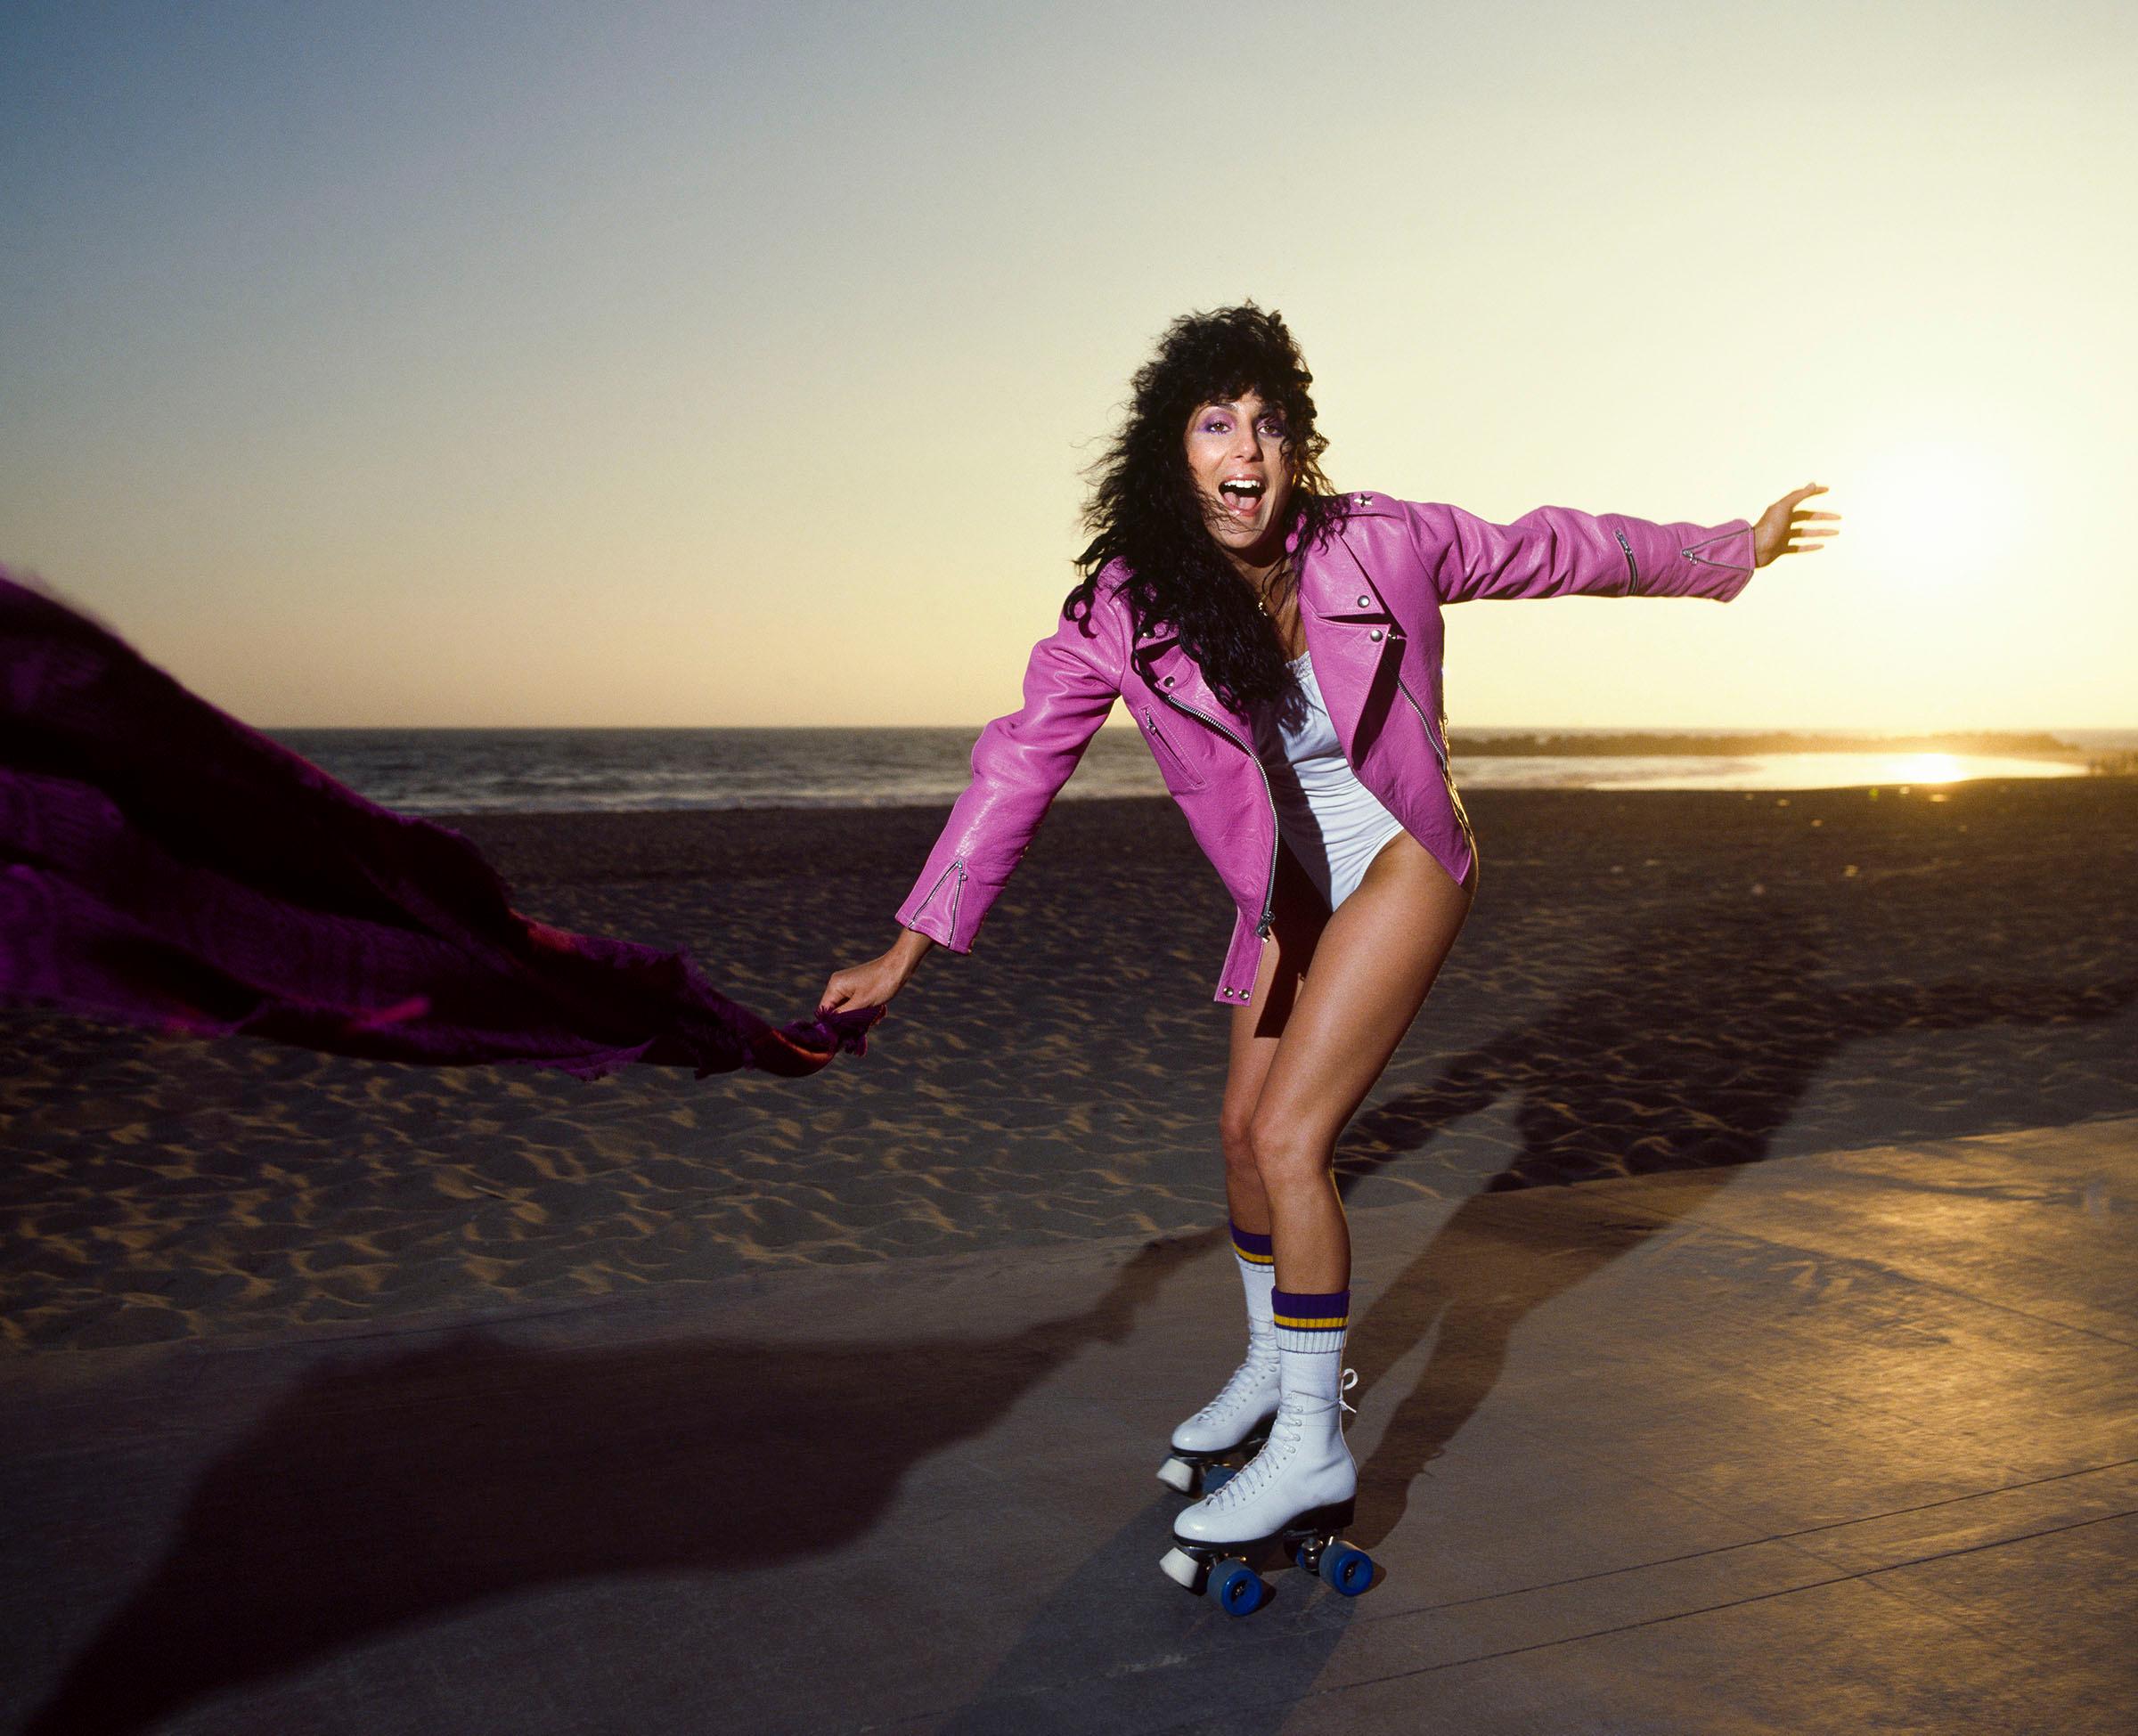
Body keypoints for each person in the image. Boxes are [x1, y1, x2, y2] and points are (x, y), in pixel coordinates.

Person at [818, 303, 1839, 1593]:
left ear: (1296, 445)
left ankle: (1311, 1440)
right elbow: (1016, 764)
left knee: (1297, 1138)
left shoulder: (1380, 543)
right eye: (1214, 421)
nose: (1246, 447)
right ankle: (1270, 1367)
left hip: (1406, 852)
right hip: (1290, 893)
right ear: (1170, 451)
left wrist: (1724, 549)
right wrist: (907, 948)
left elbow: (1552, 548)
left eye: (1268, 422)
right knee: (1244, 1135)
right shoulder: (1120, 612)